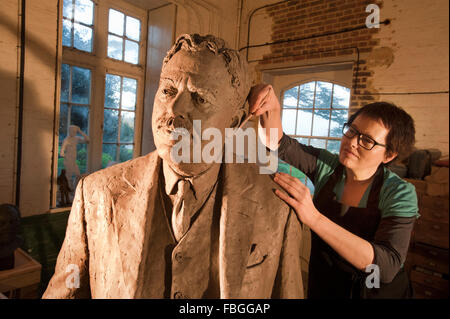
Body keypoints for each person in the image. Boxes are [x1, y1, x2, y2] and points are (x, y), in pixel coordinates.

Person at [42, 34, 304, 299]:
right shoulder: (96, 194)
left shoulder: (277, 208)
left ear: (234, 123)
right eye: (168, 90)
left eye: (199, 99)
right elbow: (68, 287)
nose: (174, 108)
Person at [249, 83, 419, 298]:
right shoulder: (327, 168)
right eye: (352, 131)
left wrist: (314, 218)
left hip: (375, 292)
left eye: (366, 140)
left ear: (389, 155)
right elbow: (278, 144)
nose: (351, 142)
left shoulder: (399, 193)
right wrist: (270, 108)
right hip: (326, 284)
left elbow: (386, 266)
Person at [60, 125, 89, 190]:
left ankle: (74, 188)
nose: (74, 133)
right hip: (68, 161)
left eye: (75, 131)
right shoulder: (66, 140)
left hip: (73, 160)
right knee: (68, 176)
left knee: (78, 175)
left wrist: (80, 131)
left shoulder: (76, 138)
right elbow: (61, 153)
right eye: (73, 131)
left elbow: (87, 139)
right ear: (69, 131)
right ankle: (69, 189)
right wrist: (67, 156)